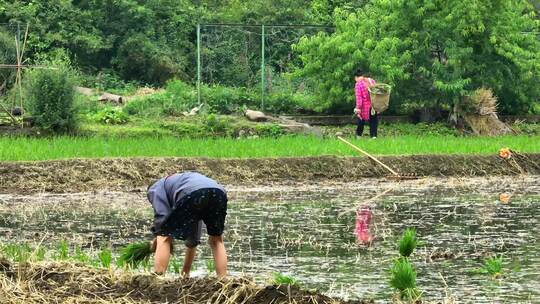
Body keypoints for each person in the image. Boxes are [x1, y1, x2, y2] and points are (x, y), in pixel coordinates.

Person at [147, 172, 228, 278]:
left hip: (190, 192)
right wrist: (185, 275)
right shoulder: (179, 181)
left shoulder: (155, 188)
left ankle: (158, 279)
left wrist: (159, 235)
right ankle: (223, 281)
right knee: (216, 240)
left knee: (163, 237)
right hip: (218, 192)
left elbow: (162, 223)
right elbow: (193, 240)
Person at [353, 68, 378, 138]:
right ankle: (374, 137)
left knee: (361, 120)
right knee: (373, 121)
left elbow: (359, 98)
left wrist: (358, 108)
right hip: (374, 105)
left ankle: (358, 136)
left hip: (365, 107)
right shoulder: (371, 80)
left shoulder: (358, 84)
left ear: (356, 77)